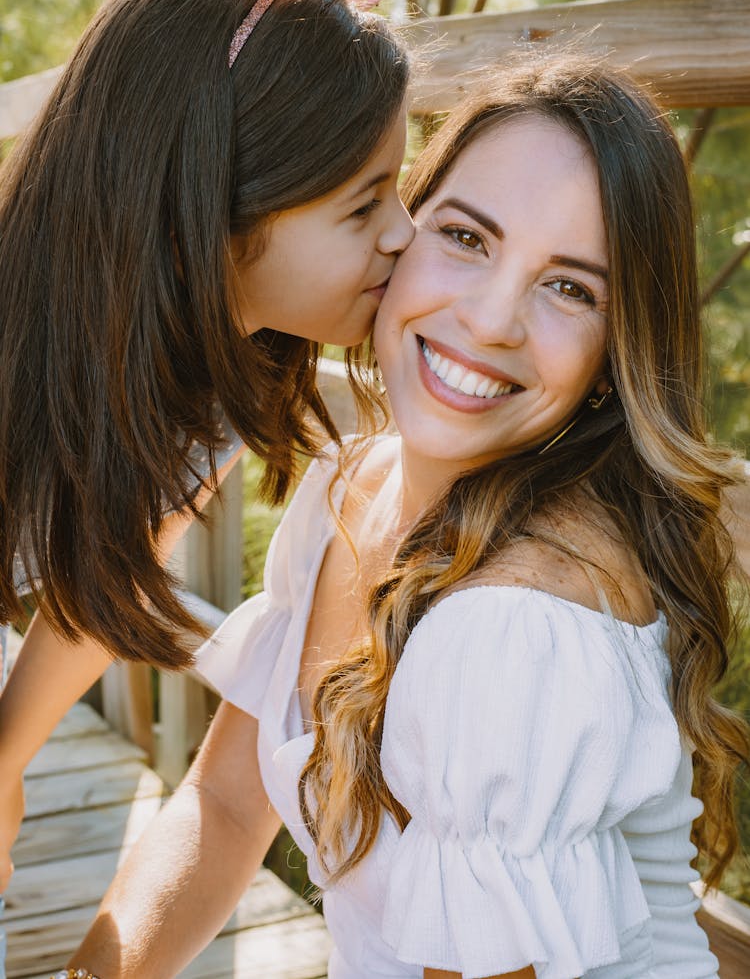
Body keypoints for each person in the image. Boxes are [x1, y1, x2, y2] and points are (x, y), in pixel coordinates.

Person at [62, 56, 748, 979]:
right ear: (393, 232)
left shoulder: (516, 624)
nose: (491, 317)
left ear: (613, 360)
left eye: (570, 287)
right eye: (467, 237)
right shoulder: (349, 487)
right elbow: (225, 804)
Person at [0, 0, 413, 900]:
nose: (404, 231)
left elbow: (106, 579)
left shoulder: (219, 380)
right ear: (214, 208)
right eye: (367, 203)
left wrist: (7, 757)